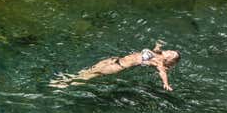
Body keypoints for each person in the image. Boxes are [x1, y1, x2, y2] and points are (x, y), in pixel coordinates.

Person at [49, 42, 180, 91]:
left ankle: (65, 85)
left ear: (169, 59)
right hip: (115, 60)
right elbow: (154, 49)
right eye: (171, 50)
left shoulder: (160, 62)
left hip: (118, 66)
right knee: (89, 70)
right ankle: (67, 79)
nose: (169, 51)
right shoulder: (158, 54)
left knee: (91, 75)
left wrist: (166, 84)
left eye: (171, 54)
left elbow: (162, 72)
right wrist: (159, 45)